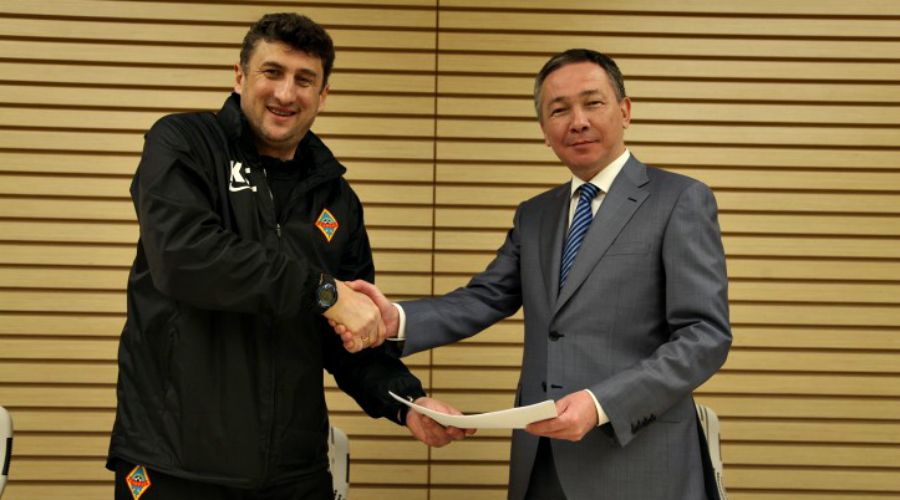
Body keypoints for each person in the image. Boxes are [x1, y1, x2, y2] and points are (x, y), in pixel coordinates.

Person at [335, 49, 732, 499]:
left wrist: (601, 404)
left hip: (640, 464)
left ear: (625, 110)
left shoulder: (680, 200)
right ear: (544, 130)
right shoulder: (535, 215)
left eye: (593, 103)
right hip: (541, 461)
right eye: (559, 110)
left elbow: (705, 336)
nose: (577, 121)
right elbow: (485, 297)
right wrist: (397, 320)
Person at [107, 13, 467, 500]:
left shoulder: (336, 198)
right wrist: (324, 292)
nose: (285, 93)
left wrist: (408, 403)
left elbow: (349, 335)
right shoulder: (185, 143)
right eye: (271, 72)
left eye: (304, 79)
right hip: (174, 464)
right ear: (240, 76)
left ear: (323, 94)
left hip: (294, 473)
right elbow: (185, 256)